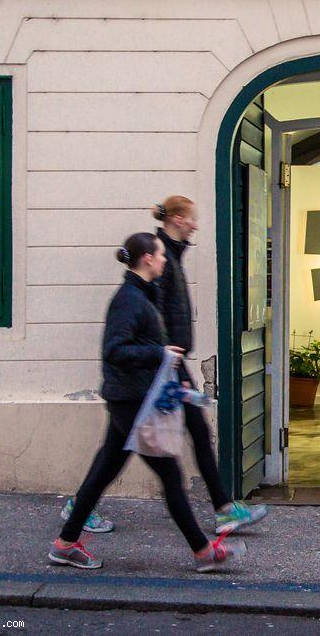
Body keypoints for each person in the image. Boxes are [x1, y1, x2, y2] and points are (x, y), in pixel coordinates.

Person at [63, 197, 269, 536]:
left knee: (114, 452)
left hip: (163, 364)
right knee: (191, 438)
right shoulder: (159, 259)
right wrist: (166, 363)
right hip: (160, 365)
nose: (195, 225)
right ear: (175, 219)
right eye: (191, 219)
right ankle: (219, 514)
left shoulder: (169, 255)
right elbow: (149, 320)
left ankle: (78, 510)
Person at [48, 232, 247, 572]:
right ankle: (203, 552)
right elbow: (114, 350)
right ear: (147, 260)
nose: (165, 260)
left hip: (132, 398)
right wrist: (159, 353)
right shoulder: (129, 300)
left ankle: (65, 544)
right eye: (160, 255)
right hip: (131, 401)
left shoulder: (142, 294)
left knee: (102, 472)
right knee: (171, 476)